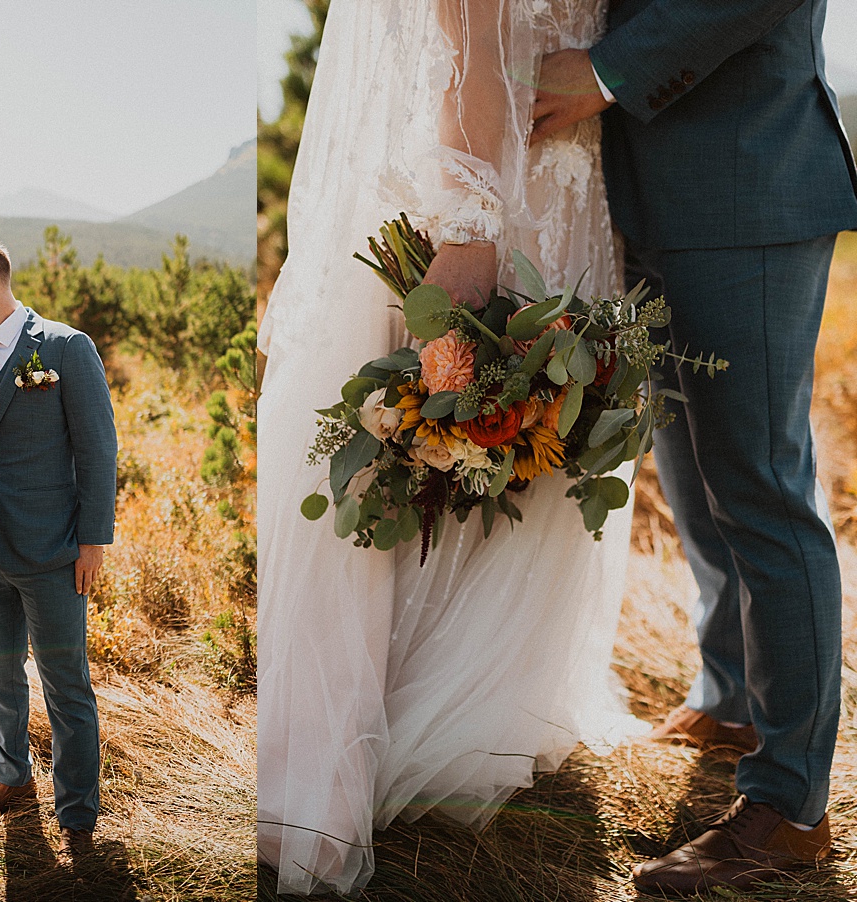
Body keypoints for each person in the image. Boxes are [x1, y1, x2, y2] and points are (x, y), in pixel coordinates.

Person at [254, 2, 645, 894]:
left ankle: (462, 729)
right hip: (486, 184)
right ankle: (374, 740)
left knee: (522, 453)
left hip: (550, 180)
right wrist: (469, 225)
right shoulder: (474, 213)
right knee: (443, 440)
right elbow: (471, 32)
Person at [533, 1, 857, 893]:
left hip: (744, 179)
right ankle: (732, 699)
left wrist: (607, 71)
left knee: (760, 488)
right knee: (695, 472)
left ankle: (791, 810)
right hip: (646, 189)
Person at [0, 239, 117, 852]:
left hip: (53, 551)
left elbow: (98, 448)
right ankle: (13, 779)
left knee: (66, 683)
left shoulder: (67, 349)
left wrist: (92, 539)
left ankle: (76, 809)